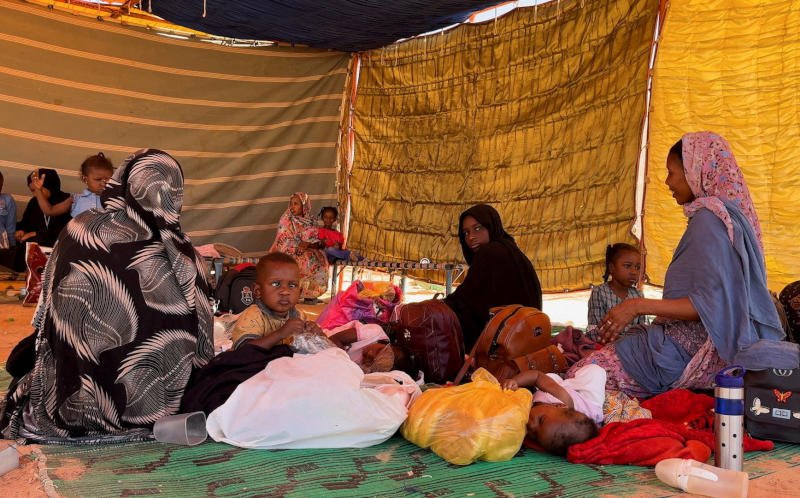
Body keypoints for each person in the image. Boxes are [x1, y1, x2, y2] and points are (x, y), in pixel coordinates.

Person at [1, 149, 214, 442]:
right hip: (160, 406)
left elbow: (45, 312)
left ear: (122, 182)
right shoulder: (183, 255)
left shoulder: (80, 229)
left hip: (71, 399)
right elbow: (203, 342)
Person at [569, 132, 798, 399]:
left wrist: (636, 306)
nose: (668, 182)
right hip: (709, 348)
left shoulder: (709, 221)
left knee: (579, 380)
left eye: (672, 173)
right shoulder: (730, 219)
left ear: (695, 170)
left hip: (687, 351)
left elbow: (710, 306)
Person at [444, 204, 543, 350]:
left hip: (504, 347)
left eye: (477, 228)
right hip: (528, 339)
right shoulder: (512, 251)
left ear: (491, 226)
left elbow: (463, 299)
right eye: (465, 233)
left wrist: (437, 307)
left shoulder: (489, 253)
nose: (471, 237)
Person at [501, 364, 603, 456]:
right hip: (587, 402)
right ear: (558, 405)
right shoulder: (560, 396)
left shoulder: (547, 427)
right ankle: (568, 380)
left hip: (561, 396)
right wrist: (515, 381)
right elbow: (536, 376)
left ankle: (560, 380)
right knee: (595, 371)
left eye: (536, 435)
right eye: (541, 420)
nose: (532, 426)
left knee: (552, 378)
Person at [230, 252, 321, 351]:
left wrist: (317, 333)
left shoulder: (299, 316)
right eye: (276, 284)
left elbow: (320, 346)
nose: (285, 292)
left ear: (300, 292)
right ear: (258, 291)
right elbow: (244, 350)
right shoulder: (253, 316)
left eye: (292, 285)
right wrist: (281, 333)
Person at [269, 192, 328, 301]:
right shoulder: (286, 219)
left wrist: (308, 244)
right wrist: (298, 246)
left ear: (304, 206)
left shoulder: (312, 220)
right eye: (291, 204)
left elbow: (318, 240)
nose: (292, 207)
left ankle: (310, 294)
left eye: (296, 204)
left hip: (308, 249)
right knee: (301, 259)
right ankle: (294, 293)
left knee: (318, 258)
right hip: (288, 250)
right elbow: (283, 240)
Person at [11, 169, 72, 271]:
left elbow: (64, 230)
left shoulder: (67, 201)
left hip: (58, 245)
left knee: (33, 242)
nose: (36, 194)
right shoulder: (34, 202)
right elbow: (25, 222)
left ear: (51, 186)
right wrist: (21, 230)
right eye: (33, 191)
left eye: (39, 189)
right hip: (36, 242)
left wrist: (34, 233)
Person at [586, 243, 647, 339]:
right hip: (605, 343)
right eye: (627, 266)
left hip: (633, 344)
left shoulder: (638, 295)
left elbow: (642, 329)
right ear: (612, 268)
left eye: (638, 267)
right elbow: (594, 329)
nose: (634, 272)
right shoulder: (599, 292)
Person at [31, 153, 113, 218]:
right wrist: (38, 190)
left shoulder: (115, 199)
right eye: (98, 179)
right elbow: (50, 211)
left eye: (107, 179)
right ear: (85, 179)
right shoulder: (75, 199)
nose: (103, 183)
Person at [0, 170, 16, 268]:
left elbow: (10, 227)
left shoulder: (7, 199)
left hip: (2, 243)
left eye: (0, 185)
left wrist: (13, 246)